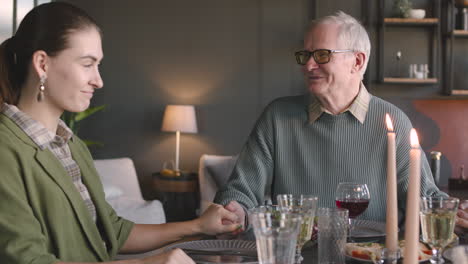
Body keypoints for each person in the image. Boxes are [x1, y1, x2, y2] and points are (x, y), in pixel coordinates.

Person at [0, 3, 239, 264]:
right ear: (42, 64)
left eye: (98, 65)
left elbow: (111, 231)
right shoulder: (6, 150)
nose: (98, 80)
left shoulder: (72, 145)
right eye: (88, 64)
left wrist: (197, 227)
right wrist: (151, 263)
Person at [214, 11, 462, 229]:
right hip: (299, 257)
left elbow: (425, 197)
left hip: (371, 258)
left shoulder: (393, 121)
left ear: (357, 61)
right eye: (306, 55)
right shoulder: (278, 117)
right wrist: (233, 210)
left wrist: (454, 212)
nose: (308, 65)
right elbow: (240, 190)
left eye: (321, 55)